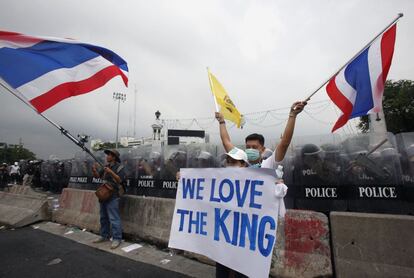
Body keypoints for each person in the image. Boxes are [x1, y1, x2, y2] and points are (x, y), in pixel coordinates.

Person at [215, 101, 306, 169]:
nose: (250, 150)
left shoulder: (269, 164)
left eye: (254, 147)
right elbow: (226, 142)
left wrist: (292, 115)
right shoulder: (239, 161)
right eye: (248, 147)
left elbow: (284, 144)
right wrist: (221, 122)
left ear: (262, 149)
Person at [91, 149, 126, 249]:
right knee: (103, 217)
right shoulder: (106, 167)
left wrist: (110, 172)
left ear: (114, 157)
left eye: (109, 155)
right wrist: (94, 170)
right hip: (104, 195)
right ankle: (104, 236)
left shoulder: (119, 167)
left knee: (114, 218)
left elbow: (120, 180)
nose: (107, 156)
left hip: (113, 195)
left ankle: (117, 238)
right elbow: (98, 176)